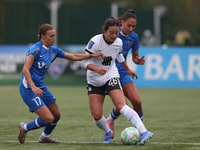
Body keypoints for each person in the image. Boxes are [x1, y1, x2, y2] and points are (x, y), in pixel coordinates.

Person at [18, 23, 104, 144]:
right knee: (48, 118)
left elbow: (73, 56)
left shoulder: (54, 50)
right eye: (51, 36)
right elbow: (25, 69)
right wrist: (33, 87)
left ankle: (45, 137)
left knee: (56, 115)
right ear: (42, 36)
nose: (54, 38)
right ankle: (24, 128)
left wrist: (90, 55)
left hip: (40, 87)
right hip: (28, 89)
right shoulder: (35, 50)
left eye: (54, 35)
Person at [84, 17, 153, 144]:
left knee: (122, 105)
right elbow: (85, 62)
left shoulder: (118, 42)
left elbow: (120, 56)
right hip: (95, 80)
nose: (114, 36)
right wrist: (96, 68)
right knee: (97, 116)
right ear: (105, 31)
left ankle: (144, 132)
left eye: (116, 33)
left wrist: (127, 69)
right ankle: (107, 131)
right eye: (111, 33)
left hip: (111, 76)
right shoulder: (95, 41)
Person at [106, 9, 147, 139]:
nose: (131, 29)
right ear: (122, 22)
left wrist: (138, 61)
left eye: (133, 26)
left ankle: (140, 130)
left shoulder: (134, 37)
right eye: (128, 25)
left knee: (137, 101)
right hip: (111, 72)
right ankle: (110, 121)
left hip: (123, 72)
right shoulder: (113, 34)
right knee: (123, 105)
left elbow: (134, 57)